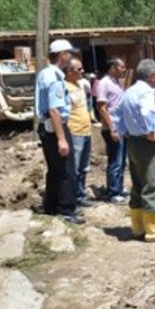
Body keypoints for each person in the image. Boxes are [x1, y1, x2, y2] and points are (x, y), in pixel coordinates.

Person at [111, 59, 155, 242]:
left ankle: (137, 226)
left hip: (132, 142)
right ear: (152, 76)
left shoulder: (129, 91)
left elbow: (116, 113)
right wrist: (150, 132)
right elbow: (147, 112)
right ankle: (153, 229)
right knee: (154, 183)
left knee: (138, 183)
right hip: (147, 143)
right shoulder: (145, 92)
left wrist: (122, 131)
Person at [35, 40, 83, 225]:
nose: (71, 57)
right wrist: (62, 138)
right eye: (69, 53)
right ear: (62, 54)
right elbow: (55, 110)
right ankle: (66, 209)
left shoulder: (45, 74)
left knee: (55, 170)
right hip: (55, 127)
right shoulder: (54, 77)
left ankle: (52, 206)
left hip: (47, 127)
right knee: (66, 170)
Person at [96, 57, 128, 204]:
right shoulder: (104, 83)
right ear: (113, 68)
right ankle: (113, 192)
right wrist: (112, 128)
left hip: (122, 128)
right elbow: (102, 108)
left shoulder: (116, 83)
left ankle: (119, 187)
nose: (124, 69)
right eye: (121, 67)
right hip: (112, 128)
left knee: (121, 161)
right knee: (115, 160)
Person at [64, 58, 94, 209]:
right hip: (74, 132)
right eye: (79, 69)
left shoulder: (80, 85)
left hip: (86, 130)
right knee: (74, 169)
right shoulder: (65, 87)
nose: (82, 71)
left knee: (83, 168)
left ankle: (80, 195)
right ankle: (72, 198)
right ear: (69, 71)